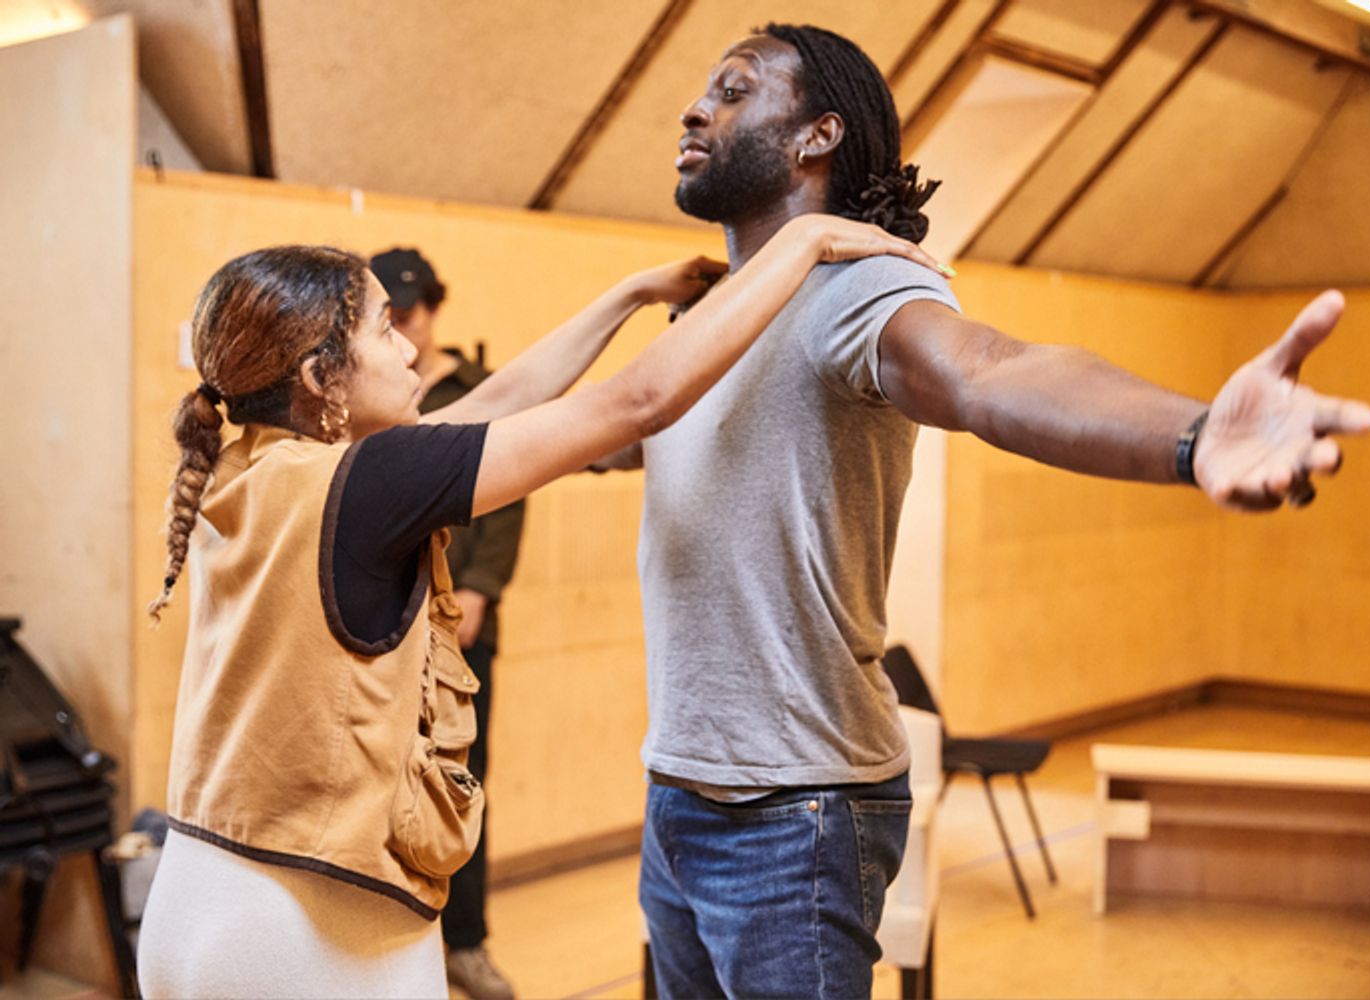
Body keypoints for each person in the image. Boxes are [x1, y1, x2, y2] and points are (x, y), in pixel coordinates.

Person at [594, 22, 1370, 999]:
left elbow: (989, 371)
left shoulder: (851, 287)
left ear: (814, 137)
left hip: (794, 815)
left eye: (733, 88)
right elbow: (601, 431)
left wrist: (1194, 432)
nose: (693, 106)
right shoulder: (704, 323)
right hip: (679, 791)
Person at [134, 215, 940, 998]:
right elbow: (637, 404)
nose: (410, 345)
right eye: (384, 330)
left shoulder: (258, 466)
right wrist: (803, 242)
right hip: (302, 928)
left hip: (198, 898)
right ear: (319, 379)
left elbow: (501, 399)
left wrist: (628, 295)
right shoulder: (370, 481)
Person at [369, 247, 524, 1000]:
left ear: (433, 308)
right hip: (378, 626)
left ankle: (465, 944)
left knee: (460, 789)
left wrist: (482, 593)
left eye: (413, 310)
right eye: (388, 315)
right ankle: (397, 946)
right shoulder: (366, 391)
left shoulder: (475, 389)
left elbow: (508, 494)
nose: (405, 325)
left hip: (459, 627)